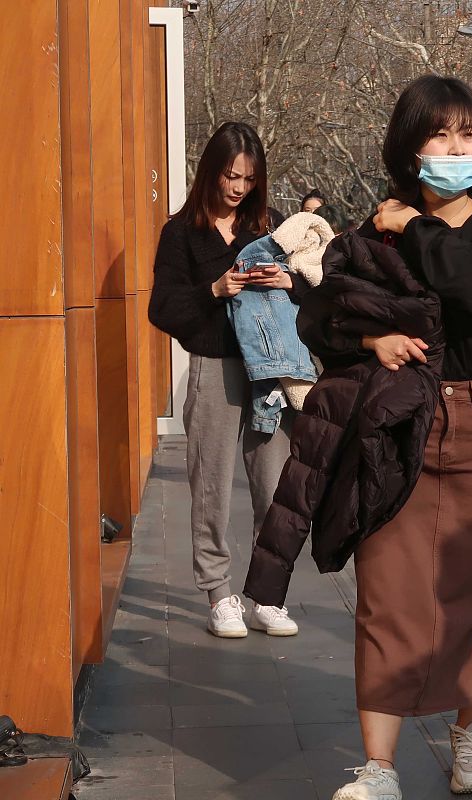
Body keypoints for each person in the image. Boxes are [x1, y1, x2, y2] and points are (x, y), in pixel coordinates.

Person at [331, 75, 472, 800]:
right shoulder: (367, 229)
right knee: (386, 591)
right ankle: (378, 768)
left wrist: (414, 229)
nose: (456, 147)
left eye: (469, 133)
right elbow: (319, 315)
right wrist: (369, 335)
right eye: (441, 134)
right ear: (410, 148)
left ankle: (469, 736)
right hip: (396, 422)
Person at [147, 122, 301, 638]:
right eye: (231, 175)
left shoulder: (271, 225)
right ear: (210, 171)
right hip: (214, 367)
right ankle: (219, 593)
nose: (238, 187)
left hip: (271, 369)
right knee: (209, 482)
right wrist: (214, 288)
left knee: (274, 486)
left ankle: (267, 594)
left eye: (249, 178)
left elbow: (315, 293)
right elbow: (162, 309)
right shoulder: (181, 232)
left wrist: (288, 280)